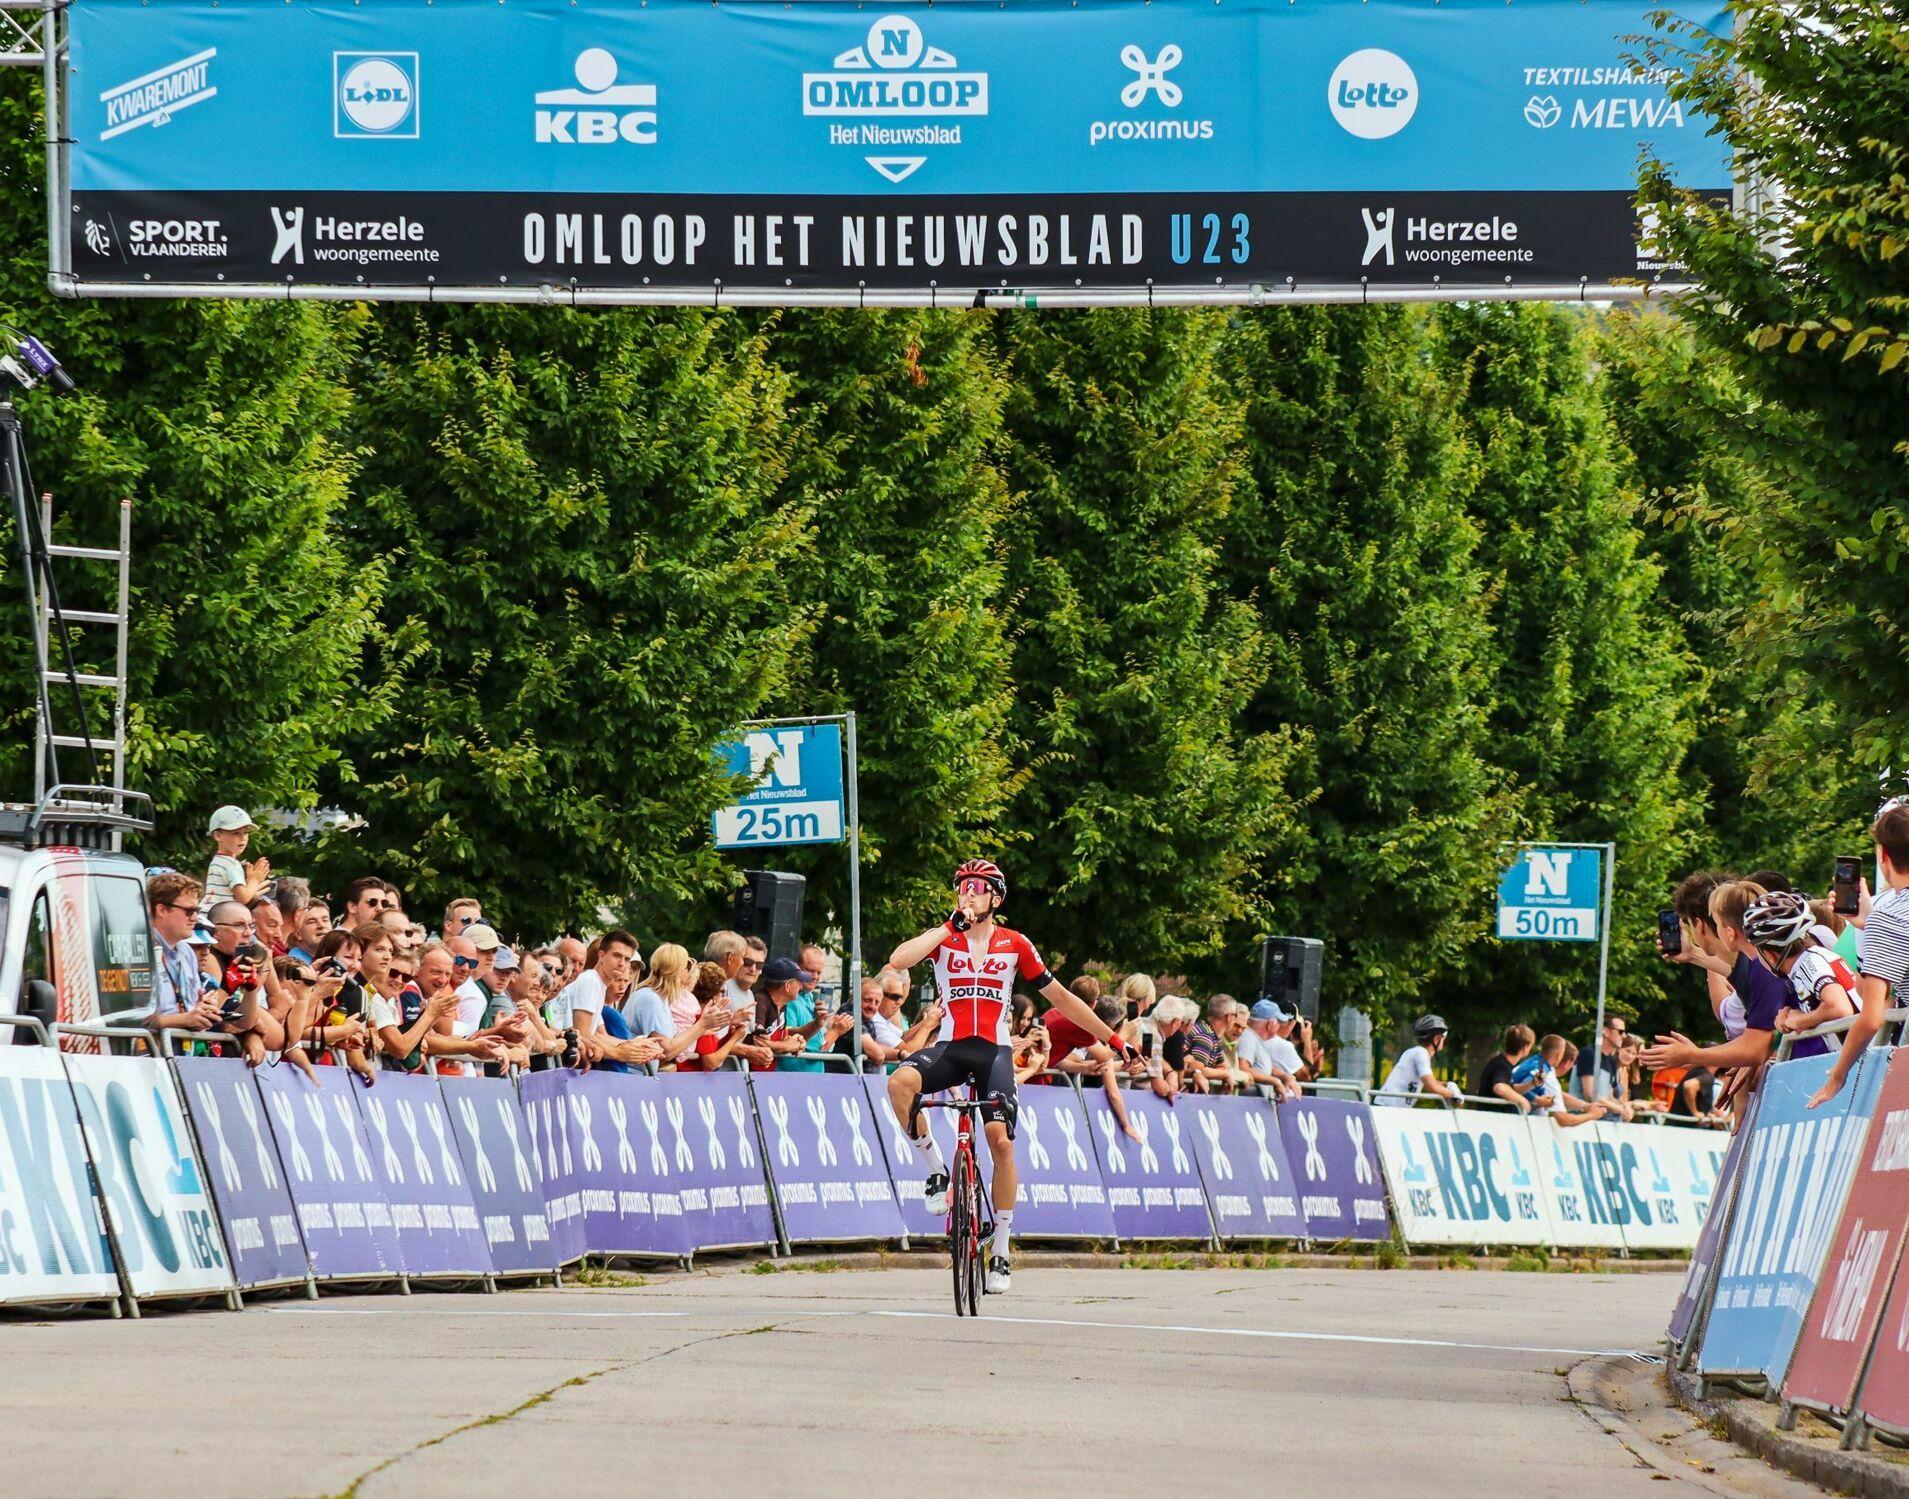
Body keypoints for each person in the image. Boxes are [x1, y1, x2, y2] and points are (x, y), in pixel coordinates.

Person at [886, 858, 1137, 1296]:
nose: (968, 894)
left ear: (996, 898)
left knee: (1001, 1141)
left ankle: (1000, 1245)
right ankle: (936, 1171)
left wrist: (1113, 1039)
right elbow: (897, 960)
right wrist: (949, 926)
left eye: (977, 888)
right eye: (962, 887)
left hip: (995, 1052)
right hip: (951, 1046)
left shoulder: (1015, 943)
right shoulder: (945, 938)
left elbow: (1062, 998)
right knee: (898, 1083)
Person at [1643, 880, 1784, 1104]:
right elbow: (1734, 971)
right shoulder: (1759, 962)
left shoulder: (1763, 969)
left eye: (1717, 922)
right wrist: (1692, 954)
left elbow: (1755, 1048)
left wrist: (1692, 1055)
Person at [1814, 802, 1909, 1109]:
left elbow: (1871, 1018)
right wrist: (1870, 922)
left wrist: (1838, 1075)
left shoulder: (1890, 917)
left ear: (1883, 855)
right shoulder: (1884, 917)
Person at [1743, 890, 1856, 1059]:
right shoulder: (1812, 959)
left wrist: (1799, 1021)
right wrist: (1794, 1014)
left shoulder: (1808, 964)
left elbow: (1839, 1008)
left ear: (1769, 955)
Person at [1041, 995, 1147, 1131]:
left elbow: (1059, 1060)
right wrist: (1126, 1125)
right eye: (1118, 1026)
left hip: (1041, 1071)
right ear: (1110, 1025)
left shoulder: (1064, 1013)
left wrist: (1082, 1067)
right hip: (1038, 1076)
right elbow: (1105, 1059)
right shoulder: (1085, 1031)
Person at [145, 872, 223, 1037]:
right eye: (189, 911)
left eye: (197, 910)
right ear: (162, 910)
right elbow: (129, 1019)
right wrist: (184, 1019)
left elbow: (190, 1011)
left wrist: (202, 1008)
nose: (195, 917)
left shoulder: (187, 952)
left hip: (180, 1051)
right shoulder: (141, 950)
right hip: (147, 1054)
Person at [548, 930, 640, 1051]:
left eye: (627, 959)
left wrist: (635, 1044)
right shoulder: (590, 981)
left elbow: (600, 1035)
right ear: (601, 955)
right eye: (617, 955)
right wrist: (620, 1053)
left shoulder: (598, 984)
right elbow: (584, 1035)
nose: (622, 963)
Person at [1375, 1015, 1463, 1106]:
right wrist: (1454, 1096)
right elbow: (1431, 1086)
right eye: (1444, 1039)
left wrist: (1447, 1085)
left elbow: (1428, 1082)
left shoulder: (1414, 1052)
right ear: (1436, 1039)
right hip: (1388, 1109)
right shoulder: (1421, 1054)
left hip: (1389, 1107)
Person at [201, 805, 269, 914]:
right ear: (218, 836)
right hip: (222, 918)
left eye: (246, 833)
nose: (243, 838)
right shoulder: (231, 865)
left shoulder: (218, 861)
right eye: (236, 833)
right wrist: (254, 880)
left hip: (209, 915)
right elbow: (243, 898)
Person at [1235, 1000, 1301, 1101]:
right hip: (1250, 1103)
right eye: (1278, 1022)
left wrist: (1285, 1077)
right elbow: (1243, 1068)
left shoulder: (1255, 1038)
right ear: (1270, 1024)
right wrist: (1275, 1081)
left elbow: (1263, 1068)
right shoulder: (1248, 1037)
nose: (1280, 1026)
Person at [1572, 1016, 1635, 1120]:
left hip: (1601, 1121)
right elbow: (1590, 1094)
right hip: (1582, 1120)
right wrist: (1619, 1109)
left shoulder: (1611, 1061)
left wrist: (1625, 1107)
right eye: (1620, 1032)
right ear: (1605, 1031)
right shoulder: (1588, 1054)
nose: (1624, 1036)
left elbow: (1609, 1097)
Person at [1476, 1024, 1538, 1111]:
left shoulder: (1501, 1064)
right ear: (1525, 1047)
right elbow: (1499, 1088)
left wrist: (1532, 1084)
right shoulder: (1502, 1066)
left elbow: (1509, 1089)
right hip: (1491, 1120)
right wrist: (1522, 1101)